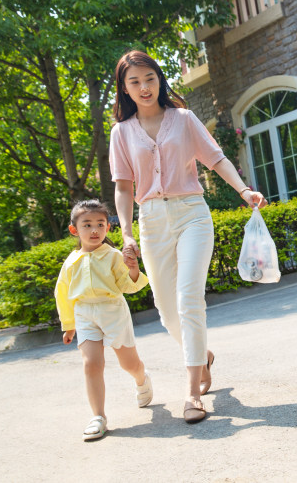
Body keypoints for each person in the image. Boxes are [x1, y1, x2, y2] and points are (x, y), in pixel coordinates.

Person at [109, 50, 266, 424]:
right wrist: (126, 232)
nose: (144, 87)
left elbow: (217, 158)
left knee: (188, 298)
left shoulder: (183, 119)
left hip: (192, 214)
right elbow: (123, 187)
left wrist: (244, 190)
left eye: (150, 78)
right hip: (151, 221)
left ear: (160, 80)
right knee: (166, 310)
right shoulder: (121, 132)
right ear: (125, 89)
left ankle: (193, 392)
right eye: (135, 82)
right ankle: (203, 355)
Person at [55, 199, 152, 441]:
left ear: (108, 227)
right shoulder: (71, 262)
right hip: (84, 314)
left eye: (100, 224)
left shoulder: (113, 255)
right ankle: (98, 417)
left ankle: (142, 378)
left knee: (129, 364)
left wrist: (132, 268)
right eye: (87, 225)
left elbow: (129, 285)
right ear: (74, 230)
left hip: (112, 311)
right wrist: (69, 325)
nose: (95, 230)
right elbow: (63, 294)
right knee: (91, 364)